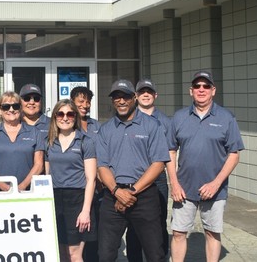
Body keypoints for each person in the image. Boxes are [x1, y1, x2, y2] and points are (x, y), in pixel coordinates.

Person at [168, 71, 245, 262]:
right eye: (197, 86)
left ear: (213, 90)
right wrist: (174, 184)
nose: (201, 90)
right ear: (190, 91)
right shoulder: (179, 117)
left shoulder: (227, 118)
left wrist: (216, 183)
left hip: (215, 190)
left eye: (206, 86)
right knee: (178, 233)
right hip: (183, 189)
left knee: (212, 233)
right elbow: (170, 152)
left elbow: (234, 155)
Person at [96, 79, 170, 262]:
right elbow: (102, 166)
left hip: (143, 196)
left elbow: (158, 163)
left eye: (126, 97)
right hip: (113, 196)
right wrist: (116, 191)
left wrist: (131, 192)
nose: (121, 101)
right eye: (116, 97)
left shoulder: (152, 126)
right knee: (105, 254)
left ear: (134, 98)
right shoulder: (105, 130)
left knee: (155, 254)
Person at [125, 78, 173, 261]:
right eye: (142, 92)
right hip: (133, 178)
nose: (146, 95)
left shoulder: (165, 122)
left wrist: (172, 180)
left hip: (158, 179)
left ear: (155, 95)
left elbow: (170, 152)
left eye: (149, 92)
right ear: (136, 96)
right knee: (132, 223)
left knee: (158, 221)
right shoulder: (128, 117)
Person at [45, 99, 96, 262]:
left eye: (69, 114)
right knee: (60, 254)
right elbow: (45, 176)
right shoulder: (49, 142)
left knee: (74, 255)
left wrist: (86, 211)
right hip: (55, 199)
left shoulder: (85, 142)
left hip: (77, 200)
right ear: (54, 117)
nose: (65, 118)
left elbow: (91, 179)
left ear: (75, 116)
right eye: (60, 113)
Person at [0, 91, 44, 191]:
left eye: (15, 106)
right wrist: (6, 188)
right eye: (6, 107)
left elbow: (39, 165)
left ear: (20, 108)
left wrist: (21, 187)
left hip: (28, 192)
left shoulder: (35, 132)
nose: (11, 110)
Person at [69, 86, 101, 262]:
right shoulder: (65, 124)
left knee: (94, 235)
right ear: (72, 102)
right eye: (81, 101)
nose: (85, 105)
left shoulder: (96, 125)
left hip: (97, 188)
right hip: (76, 188)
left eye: (88, 101)